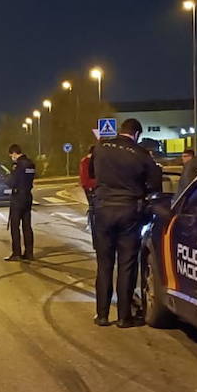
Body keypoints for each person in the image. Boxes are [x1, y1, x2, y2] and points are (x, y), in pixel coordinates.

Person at [91, 118, 161, 327]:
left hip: (102, 209)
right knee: (127, 265)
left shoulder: (100, 148)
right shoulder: (141, 154)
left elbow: (92, 174)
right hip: (129, 211)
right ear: (137, 134)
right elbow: (155, 183)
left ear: (121, 130)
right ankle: (124, 317)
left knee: (104, 265)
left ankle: (102, 315)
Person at [4, 143, 36, 262]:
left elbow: (12, 181)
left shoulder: (18, 165)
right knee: (27, 226)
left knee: (15, 226)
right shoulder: (31, 164)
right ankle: (29, 253)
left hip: (18, 197)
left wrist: (6, 178)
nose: (11, 157)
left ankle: (16, 253)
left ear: (13, 153)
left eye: (11, 155)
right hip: (28, 195)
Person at [79, 144, 98, 238]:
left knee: (92, 207)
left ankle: (92, 221)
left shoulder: (84, 160)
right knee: (94, 207)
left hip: (88, 187)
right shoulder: (90, 161)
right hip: (92, 187)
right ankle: (93, 224)